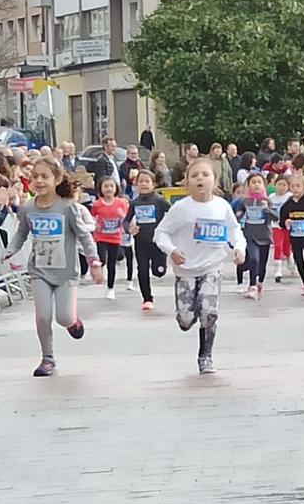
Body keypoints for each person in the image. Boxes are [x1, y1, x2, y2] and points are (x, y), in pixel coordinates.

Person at [6, 156, 97, 378]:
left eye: (45, 176)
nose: (39, 181)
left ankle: (73, 322)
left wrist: (94, 260)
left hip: (65, 272)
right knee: (43, 316)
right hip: (40, 271)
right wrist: (11, 249)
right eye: (35, 176)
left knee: (63, 317)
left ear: (56, 180)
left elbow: (84, 235)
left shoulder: (67, 208)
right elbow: (21, 233)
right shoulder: (28, 208)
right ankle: (48, 358)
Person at [154, 157, 243, 373]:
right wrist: (172, 251)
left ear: (215, 180)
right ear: (186, 183)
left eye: (205, 175)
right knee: (186, 320)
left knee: (209, 313)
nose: (200, 179)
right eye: (194, 176)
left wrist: (240, 248)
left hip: (212, 268)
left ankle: (206, 356)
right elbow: (161, 233)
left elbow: (234, 230)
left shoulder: (222, 206)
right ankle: (185, 317)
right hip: (186, 271)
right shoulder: (181, 209)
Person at [128, 169, 171, 313]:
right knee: (142, 269)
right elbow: (125, 221)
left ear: (154, 184)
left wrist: (168, 229)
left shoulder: (159, 200)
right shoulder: (134, 203)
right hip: (141, 241)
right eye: (141, 181)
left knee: (159, 272)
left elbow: (172, 213)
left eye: (147, 181)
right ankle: (147, 298)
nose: (144, 184)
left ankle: (160, 267)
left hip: (157, 241)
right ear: (136, 184)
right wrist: (130, 228)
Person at [90, 175, 132, 298]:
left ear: (116, 188)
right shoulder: (97, 204)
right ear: (101, 189)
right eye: (106, 186)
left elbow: (127, 218)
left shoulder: (121, 203)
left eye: (111, 186)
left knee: (112, 263)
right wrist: (95, 225)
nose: (109, 189)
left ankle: (110, 288)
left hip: (115, 237)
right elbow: (93, 218)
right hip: (101, 236)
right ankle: (99, 271)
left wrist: (122, 215)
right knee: (102, 258)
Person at [237, 172, 274, 301]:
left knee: (262, 264)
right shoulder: (245, 201)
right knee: (254, 259)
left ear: (264, 185)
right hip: (250, 235)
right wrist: (238, 215)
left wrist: (266, 209)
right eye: (253, 182)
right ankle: (252, 286)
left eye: (259, 182)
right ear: (248, 185)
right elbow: (239, 213)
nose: (256, 185)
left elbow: (275, 218)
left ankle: (260, 283)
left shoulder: (267, 201)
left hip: (264, 236)